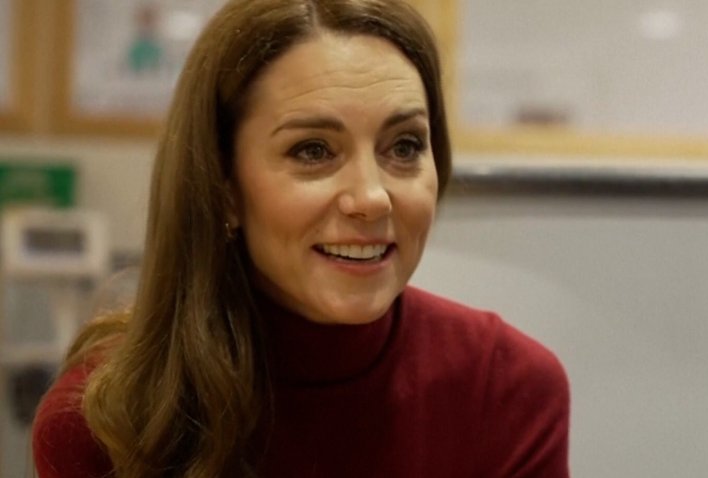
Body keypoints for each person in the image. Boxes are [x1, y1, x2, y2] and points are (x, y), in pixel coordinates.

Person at [31, 0, 571, 477]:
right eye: (313, 150)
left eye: (404, 146)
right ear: (223, 186)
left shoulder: (509, 389)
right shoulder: (104, 420)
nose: (373, 197)